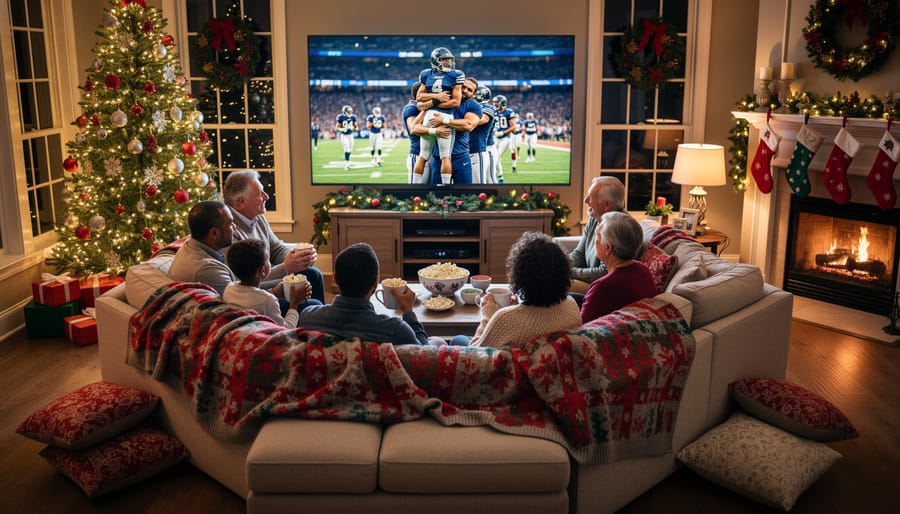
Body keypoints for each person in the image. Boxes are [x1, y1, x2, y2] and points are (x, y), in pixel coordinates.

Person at [450, 232, 581, 349]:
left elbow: (474, 355)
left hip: (509, 375)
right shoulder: (572, 306)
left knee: (457, 339)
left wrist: (489, 315)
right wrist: (520, 305)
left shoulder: (505, 320)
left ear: (519, 274)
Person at [223, 170, 326, 303]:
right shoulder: (228, 230)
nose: (266, 197)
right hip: (254, 291)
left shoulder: (258, 217)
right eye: (260, 194)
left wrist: (298, 258)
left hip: (269, 274)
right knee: (312, 301)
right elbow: (243, 281)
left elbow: (276, 248)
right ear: (241, 202)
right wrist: (287, 267)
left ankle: (318, 317)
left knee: (314, 274)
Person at [300, 243, 430, 345]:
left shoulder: (308, 318)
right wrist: (409, 312)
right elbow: (424, 355)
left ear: (335, 278)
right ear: (375, 283)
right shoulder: (396, 330)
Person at [580, 211, 657, 324]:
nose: (595, 240)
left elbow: (580, 327)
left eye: (597, 235)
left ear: (607, 248)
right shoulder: (643, 270)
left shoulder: (602, 287)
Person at [223, 239, 312, 328]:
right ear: (262, 271)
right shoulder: (267, 301)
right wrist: (294, 304)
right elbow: (285, 329)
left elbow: (251, 298)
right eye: (268, 260)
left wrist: (273, 292)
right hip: (266, 338)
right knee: (314, 304)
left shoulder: (229, 288)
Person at [412, 76, 482, 184]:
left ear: (474, 95)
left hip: (460, 157)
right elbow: (414, 128)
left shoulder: (473, 105)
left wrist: (444, 120)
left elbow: (469, 125)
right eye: (463, 87)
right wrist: (434, 131)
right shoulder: (442, 101)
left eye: (469, 90)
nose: (465, 91)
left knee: (464, 196)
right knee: (438, 197)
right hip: (438, 158)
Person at [411, 47, 465, 183]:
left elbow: (455, 102)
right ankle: (444, 187)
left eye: (449, 59)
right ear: (436, 60)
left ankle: (416, 185)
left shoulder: (452, 74)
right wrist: (437, 97)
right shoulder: (429, 74)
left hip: (430, 114)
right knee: (444, 156)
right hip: (444, 117)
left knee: (424, 155)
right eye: (444, 59)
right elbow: (419, 96)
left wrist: (431, 103)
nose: (447, 62)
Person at [569, 176, 626, 294]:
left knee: (551, 285)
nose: (585, 200)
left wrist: (568, 272)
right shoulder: (595, 217)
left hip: (601, 285)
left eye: (590, 197)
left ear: (607, 205)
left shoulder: (619, 228)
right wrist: (561, 266)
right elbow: (579, 253)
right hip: (587, 278)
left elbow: (603, 272)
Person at [167, 200, 236, 295]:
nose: (234, 227)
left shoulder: (189, 244)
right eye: (230, 224)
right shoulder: (208, 271)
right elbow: (243, 300)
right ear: (214, 233)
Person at [469, 83, 497, 184]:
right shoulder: (470, 106)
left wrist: (465, 121)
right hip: (465, 150)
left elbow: (482, 120)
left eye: (475, 93)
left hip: (479, 149)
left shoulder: (487, 108)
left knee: (481, 182)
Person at [492, 95, 517, 179]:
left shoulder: (509, 112)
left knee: (496, 157)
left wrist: (503, 132)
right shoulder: (493, 112)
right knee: (494, 156)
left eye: (496, 102)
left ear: (502, 103)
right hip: (495, 137)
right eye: (494, 102)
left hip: (505, 138)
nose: (494, 104)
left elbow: (513, 127)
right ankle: (500, 177)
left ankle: (497, 176)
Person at [335, 105, 358, 170]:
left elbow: (357, 128)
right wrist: (342, 129)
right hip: (344, 136)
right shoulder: (341, 117)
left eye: (351, 111)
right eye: (348, 112)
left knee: (350, 150)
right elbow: (336, 128)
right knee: (347, 150)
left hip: (351, 136)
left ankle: (346, 160)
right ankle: (346, 165)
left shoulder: (353, 117)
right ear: (344, 112)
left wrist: (353, 128)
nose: (350, 113)